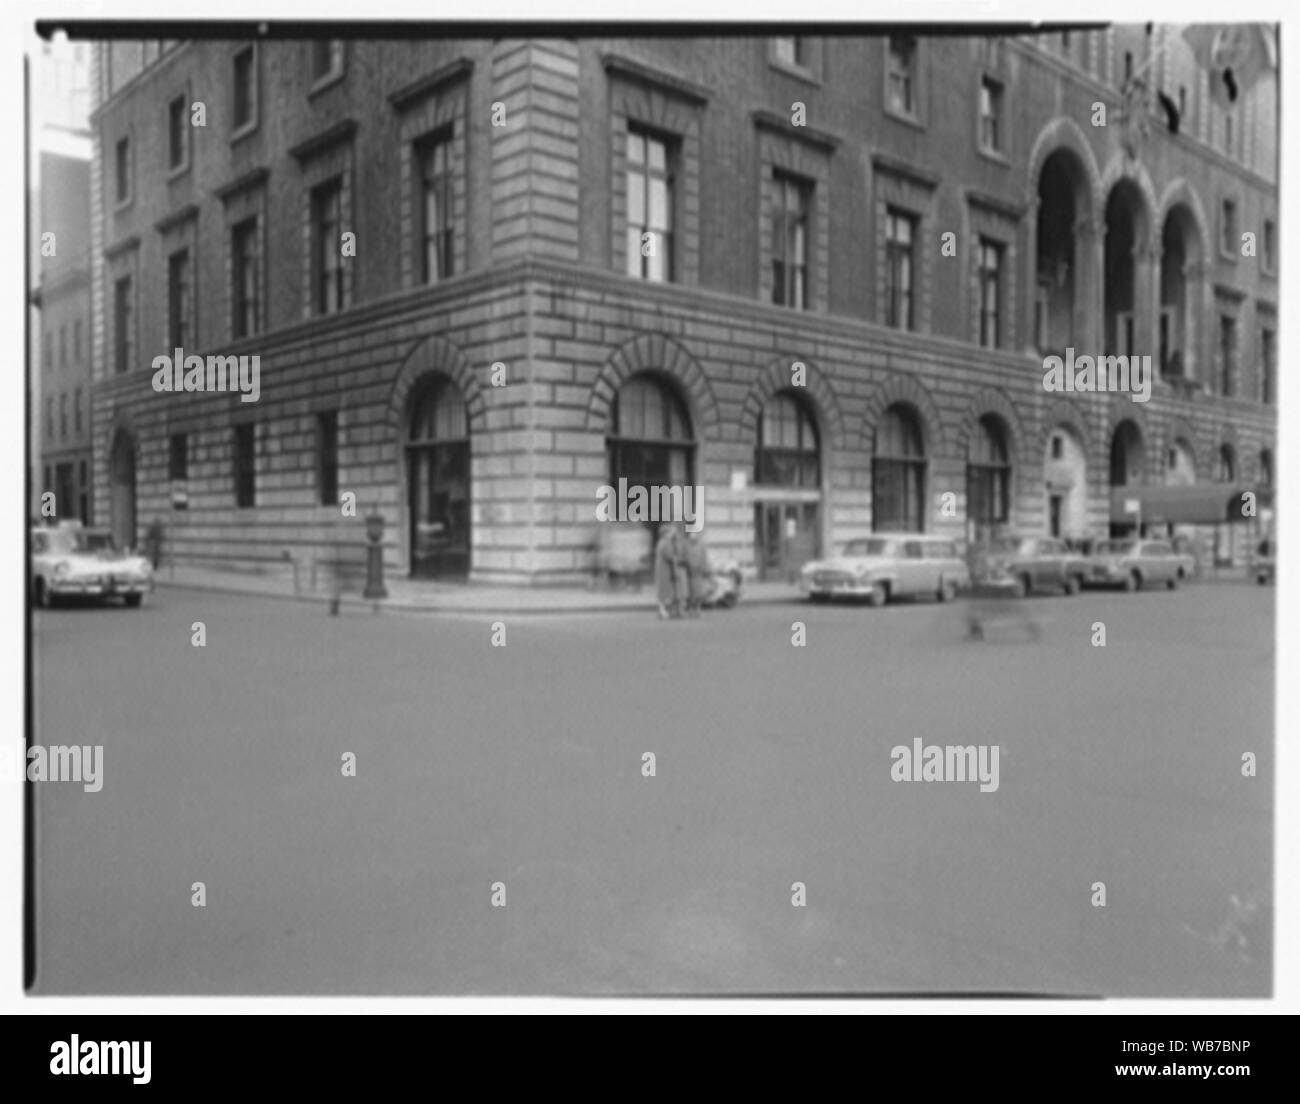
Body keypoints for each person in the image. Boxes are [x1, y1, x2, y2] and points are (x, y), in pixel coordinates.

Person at [653, 523, 684, 619]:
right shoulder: (665, 542)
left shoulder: (664, 541)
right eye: (671, 532)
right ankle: (663, 610)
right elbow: (670, 555)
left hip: (664, 568)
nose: (673, 533)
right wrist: (675, 557)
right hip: (664, 569)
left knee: (664, 590)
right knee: (664, 590)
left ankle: (664, 610)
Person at [682, 530, 711, 617]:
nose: (693, 536)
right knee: (691, 592)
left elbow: (704, 557)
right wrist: (687, 565)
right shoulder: (686, 545)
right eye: (691, 534)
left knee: (699, 592)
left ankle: (698, 609)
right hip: (690, 572)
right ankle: (691, 610)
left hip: (699, 572)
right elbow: (684, 557)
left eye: (694, 534)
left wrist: (705, 568)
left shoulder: (701, 545)